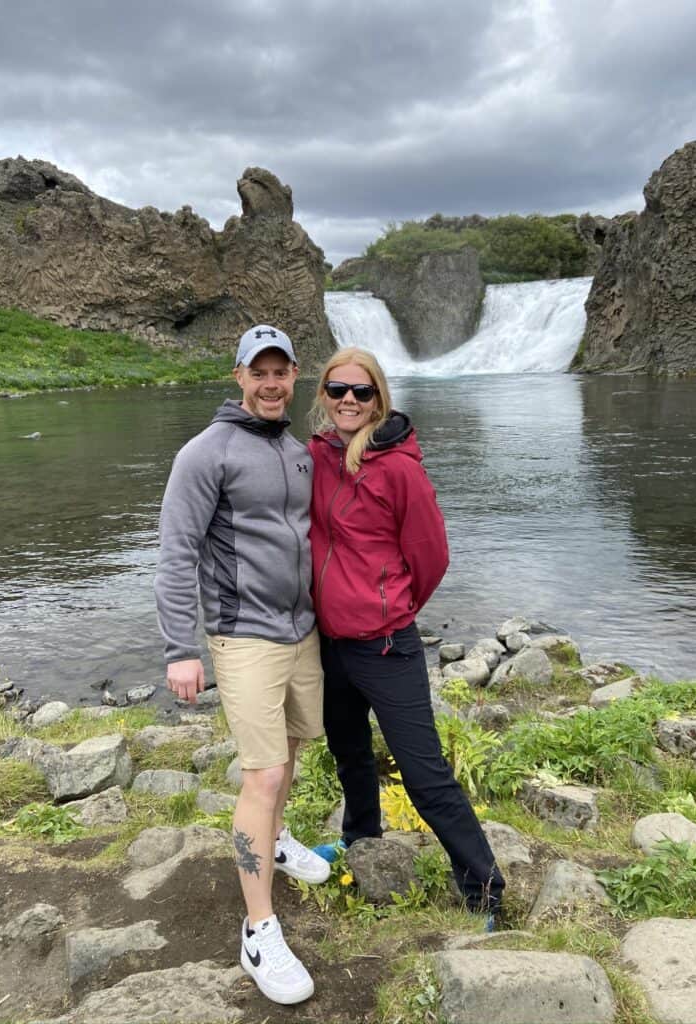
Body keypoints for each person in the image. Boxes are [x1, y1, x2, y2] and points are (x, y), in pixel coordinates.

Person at [154, 324, 330, 1006]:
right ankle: (259, 929)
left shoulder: (294, 450)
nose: (271, 383)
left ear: (294, 376)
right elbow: (175, 553)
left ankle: (277, 838)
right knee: (263, 775)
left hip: (301, 633)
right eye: (259, 371)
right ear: (237, 376)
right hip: (243, 636)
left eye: (281, 371)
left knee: (291, 749)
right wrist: (180, 649)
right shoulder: (206, 454)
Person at [308, 346, 505, 921]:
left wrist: (391, 604)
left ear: (378, 399)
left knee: (424, 774)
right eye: (338, 389)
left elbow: (432, 557)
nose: (349, 400)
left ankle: (483, 887)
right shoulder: (316, 456)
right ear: (323, 395)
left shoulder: (399, 469)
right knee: (349, 754)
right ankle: (361, 841)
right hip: (331, 642)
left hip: (386, 644)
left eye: (361, 391)